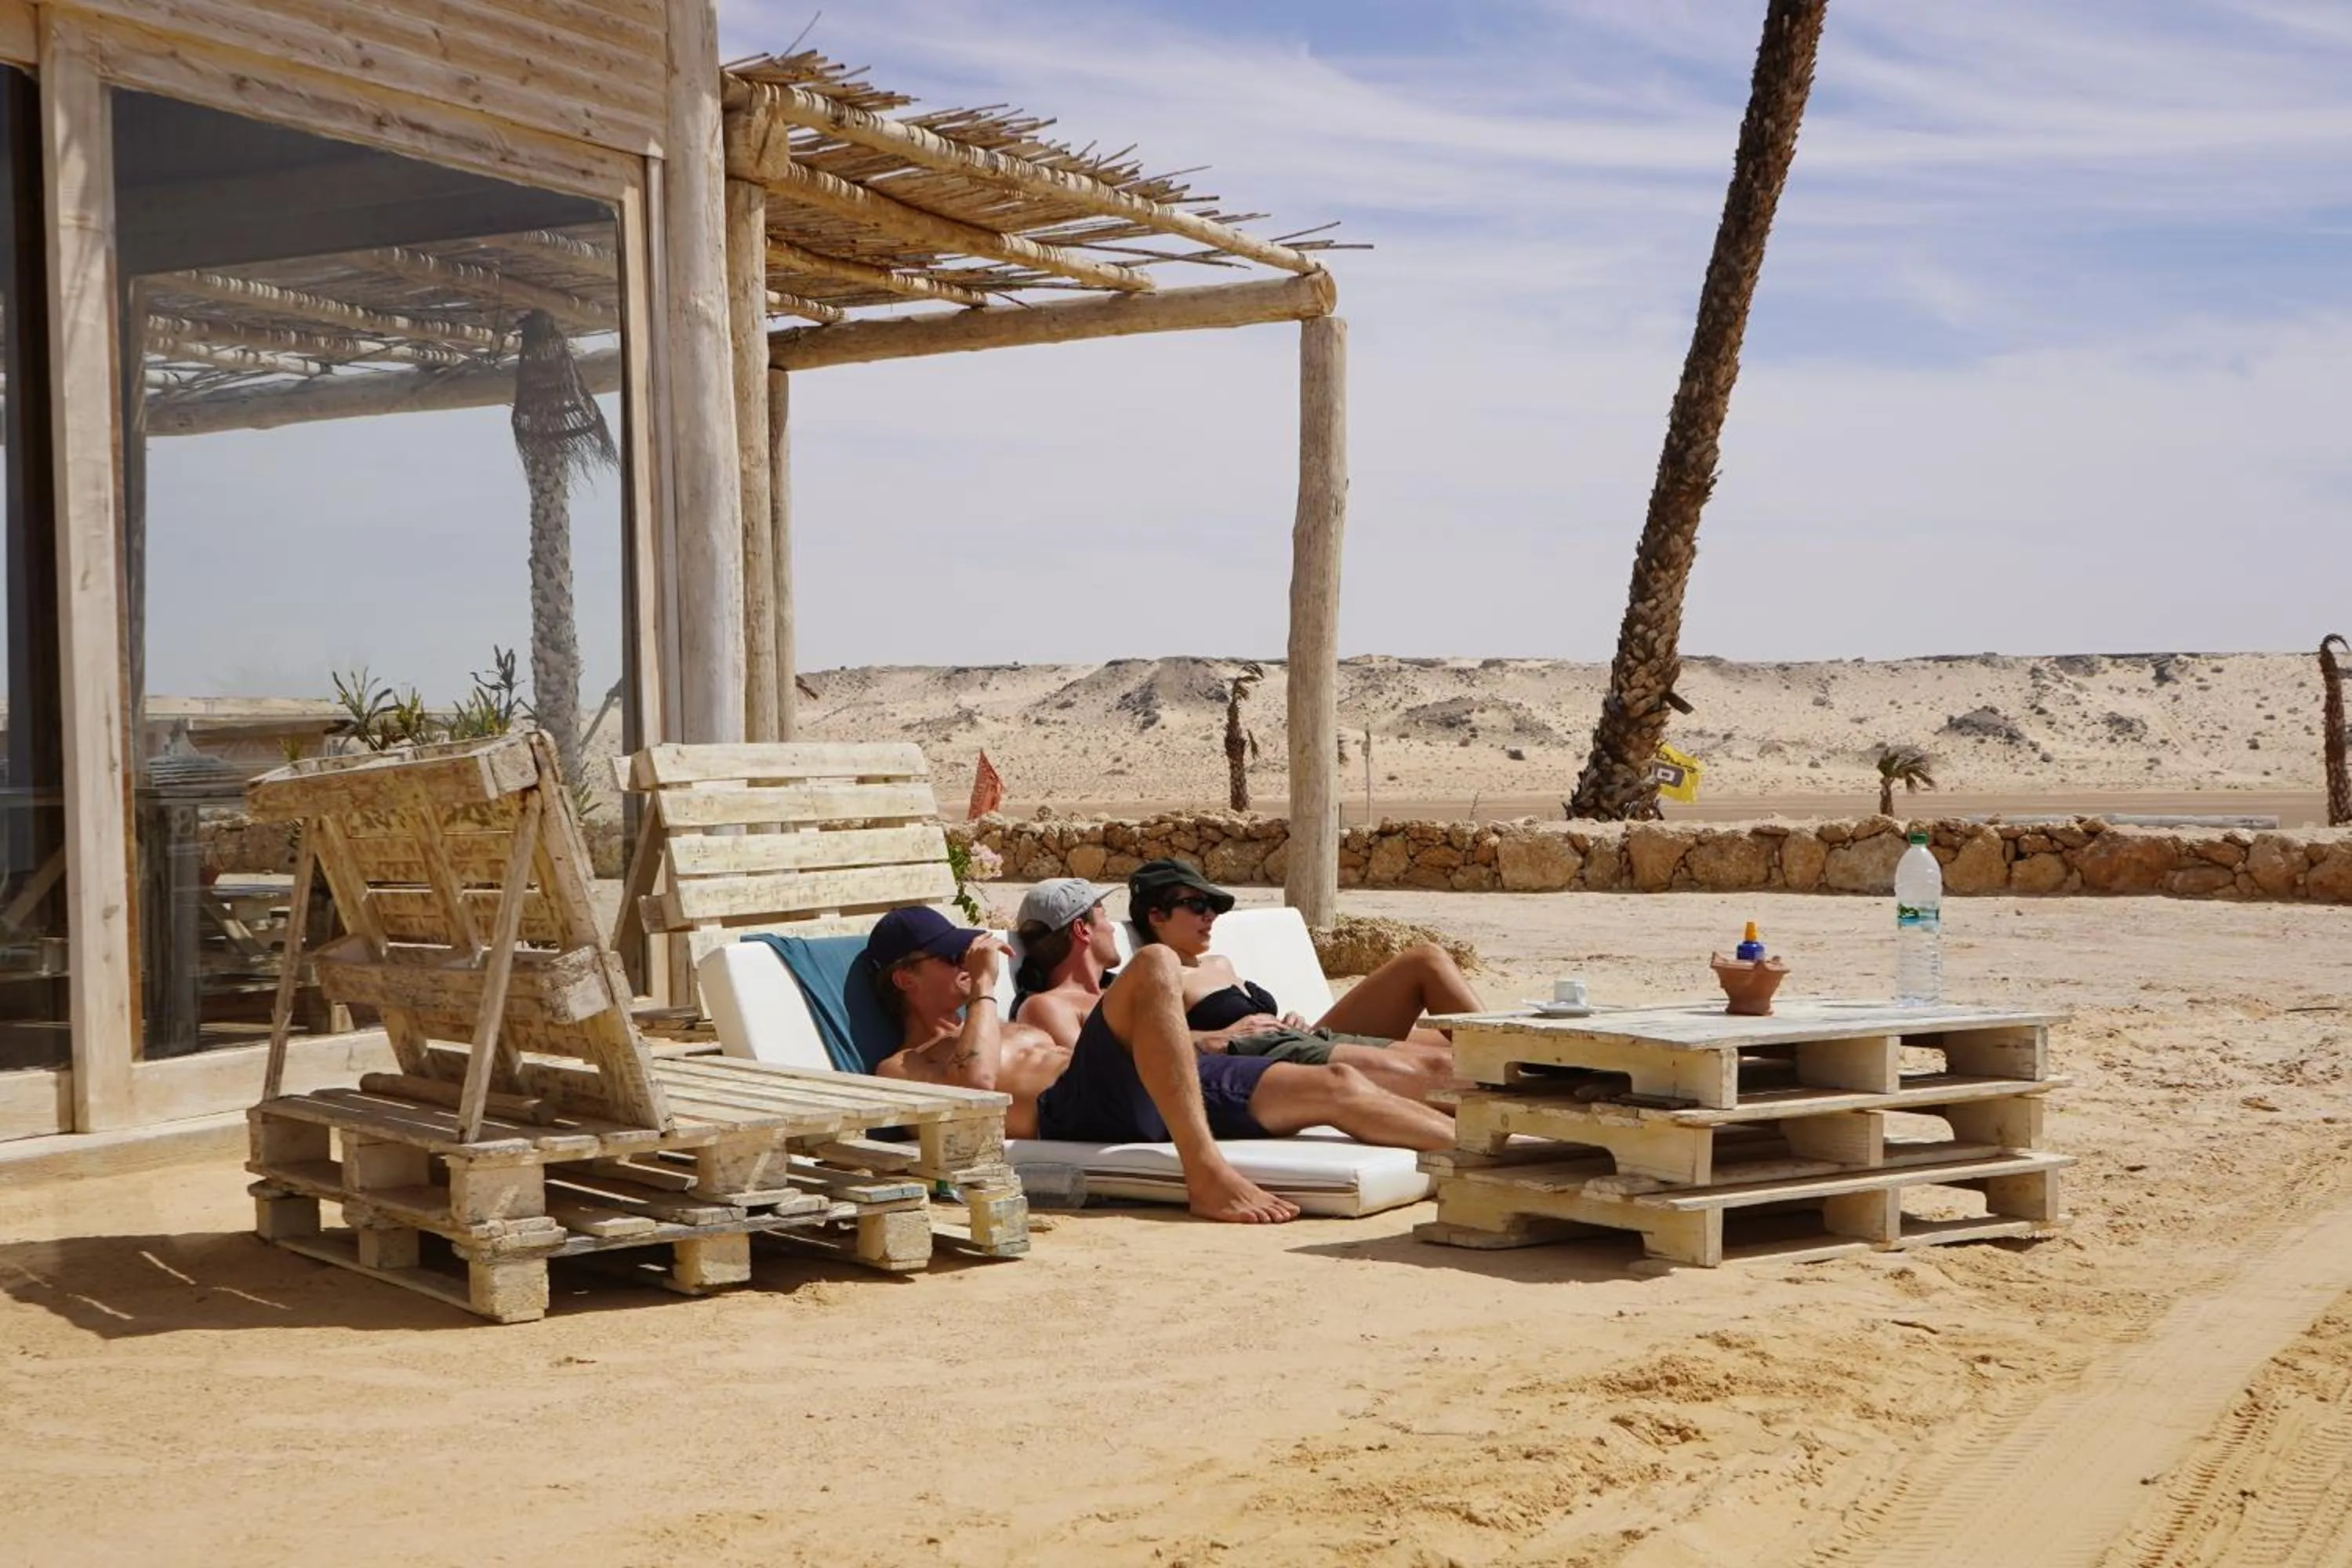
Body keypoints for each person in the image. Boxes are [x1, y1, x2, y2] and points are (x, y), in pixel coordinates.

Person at [1124, 858, 1475, 1105]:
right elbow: (1130, 1044)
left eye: (1213, 905)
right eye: (1196, 904)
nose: (1210, 914)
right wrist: (1219, 1036)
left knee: (1431, 983)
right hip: (1278, 1063)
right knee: (1444, 1058)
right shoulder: (1159, 977)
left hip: (1304, 1036)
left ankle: (1515, 1049)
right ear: (1156, 915)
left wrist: (1291, 1019)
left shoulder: (1219, 962)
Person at [865, 906, 1068, 1140]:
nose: (968, 964)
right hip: (1069, 1108)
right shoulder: (900, 1067)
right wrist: (983, 982)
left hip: (1096, 1076)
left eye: (966, 953)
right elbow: (973, 1090)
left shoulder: (992, 1023)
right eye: (954, 956)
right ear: (905, 980)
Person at [1006, 877, 1125, 1052]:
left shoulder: (1120, 989)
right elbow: (1090, 1073)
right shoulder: (1047, 1006)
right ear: (1082, 930)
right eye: (1104, 915)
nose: (1112, 928)